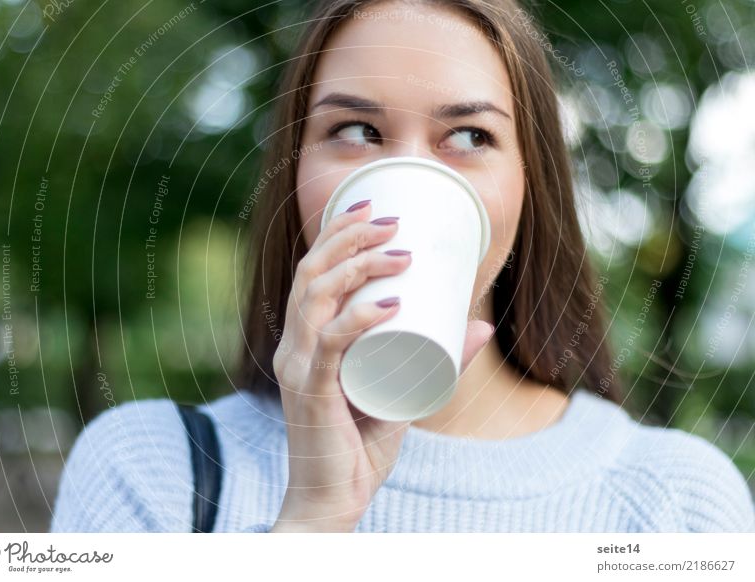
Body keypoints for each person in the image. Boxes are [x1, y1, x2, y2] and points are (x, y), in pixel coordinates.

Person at [50, 0, 755, 533]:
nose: (409, 173)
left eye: (469, 136)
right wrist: (312, 522)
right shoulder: (151, 472)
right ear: (297, 177)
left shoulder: (678, 502)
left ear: (528, 187)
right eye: (356, 131)